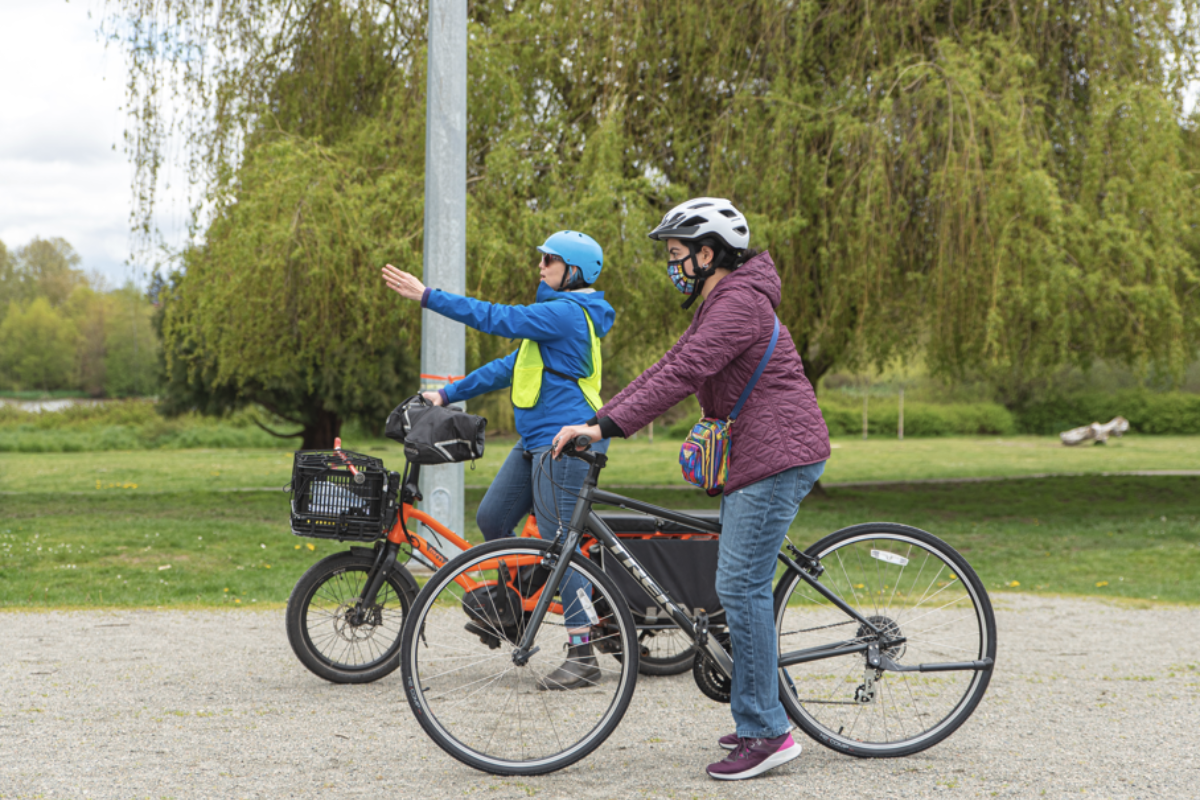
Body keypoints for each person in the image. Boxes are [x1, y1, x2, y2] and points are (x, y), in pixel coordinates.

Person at [552, 198, 831, 780]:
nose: (672, 266)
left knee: (739, 584)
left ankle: (767, 731)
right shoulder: (722, 302)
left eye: (678, 255)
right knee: (740, 581)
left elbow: (684, 375)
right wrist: (602, 419)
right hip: (760, 451)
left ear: (709, 254)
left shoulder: (738, 305)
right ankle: (760, 707)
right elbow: (667, 365)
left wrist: (602, 427)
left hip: (776, 454)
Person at [381, 230, 614, 691]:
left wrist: (427, 296)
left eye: (549, 260)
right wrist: (445, 394)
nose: (540, 266)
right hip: (534, 443)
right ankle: (511, 611)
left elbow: (495, 317)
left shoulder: (566, 313)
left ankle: (583, 652)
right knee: (492, 518)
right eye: (542, 258)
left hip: (567, 443)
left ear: (575, 271)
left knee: (560, 543)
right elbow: (508, 367)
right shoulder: (551, 322)